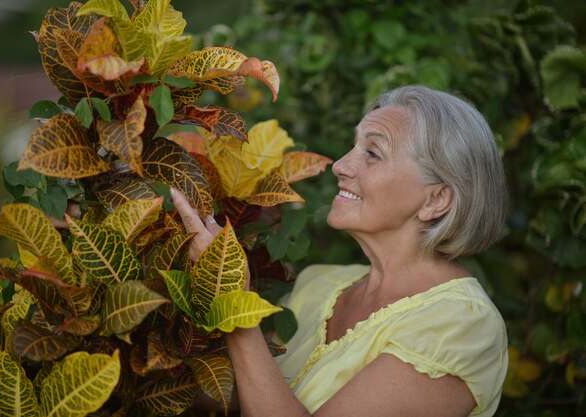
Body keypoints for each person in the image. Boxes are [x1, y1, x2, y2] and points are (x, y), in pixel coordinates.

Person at [172, 85, 508, 417]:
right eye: (354, 146)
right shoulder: (319, 285)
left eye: (373, 154)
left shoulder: (459, 325)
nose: (341, 165)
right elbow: (238, 392)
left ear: (436, 200)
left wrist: (233, 302)